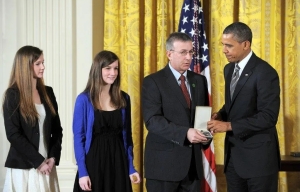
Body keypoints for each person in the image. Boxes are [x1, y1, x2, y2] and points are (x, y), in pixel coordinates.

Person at [207, 22, 280, 192]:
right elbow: (236, 103)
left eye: (229, 45)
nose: (224, 50)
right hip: (234, 159)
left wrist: (228, 126)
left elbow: (268, 116)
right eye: (223, 45)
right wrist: (221, 115)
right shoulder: (228, 69)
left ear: (245, 44)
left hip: (258, 161)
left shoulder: (265, 72)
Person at [142, 32, 211, 192]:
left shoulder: (199, 81)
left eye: (190, 52)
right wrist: (185, 133)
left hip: (192, 170)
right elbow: (152, 121)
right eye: (183, 52)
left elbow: (202, 116)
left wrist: (206, 133)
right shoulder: (153, 82)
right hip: (163, 168)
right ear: (169, 54)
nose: (188, 57)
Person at [72, 50, 141, 192]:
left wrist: (130, 167)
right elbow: (79, 138)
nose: (113, 73)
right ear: (98, 70)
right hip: (94, 164)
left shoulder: (124, 99)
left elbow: (127, 138)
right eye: (108, 68)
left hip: (118, 163)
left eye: (116, 68)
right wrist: (83, 172)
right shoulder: (84, 100)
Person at [2, 45, 63, 192]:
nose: (43, 67)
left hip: (47, 166)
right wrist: (38, 162)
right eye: (38, 64)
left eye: (43, 62)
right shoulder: (12, 95)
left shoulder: (48, 92)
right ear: (25, 66)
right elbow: (13, 134)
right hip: (24, 168)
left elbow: (57, 130)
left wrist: (53, 158)